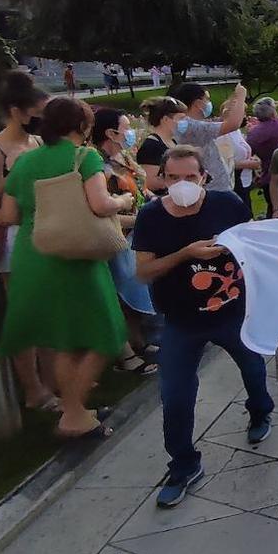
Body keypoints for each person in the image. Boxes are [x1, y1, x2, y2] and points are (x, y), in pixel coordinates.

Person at [133, 146, 273, 507]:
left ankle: (260, 410)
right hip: (181, 321)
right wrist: (185, 255)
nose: (183, 184)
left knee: (253, 368)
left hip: (232, 312)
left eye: (190, 177)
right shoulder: (151, 217)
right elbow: (144, 271)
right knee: (176, 395)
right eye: (174, 177)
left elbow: (251, 246)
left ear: (204, 178)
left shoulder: (226, 204)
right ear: (162, 179)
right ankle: (183, 464)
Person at [0, 98, 131, 439]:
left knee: (66, 339)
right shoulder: (86, 157)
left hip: (34, 253)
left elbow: (9, 215)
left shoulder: (25, 161)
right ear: (84, 127)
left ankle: (77, 409)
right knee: (105, 333)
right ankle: (72, 414)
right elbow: (100, 204)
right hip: (76, 254)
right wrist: (124, 201)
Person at [0, 71, 56, 411]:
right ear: (17, 111)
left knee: (50, 312)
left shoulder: (36, 142)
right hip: (11, 239)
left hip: (44, 230)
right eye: (37, 113)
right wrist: (15, 173)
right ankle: (33, 389)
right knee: (25, 313)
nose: (41, 120)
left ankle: (55, 385)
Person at [91, 108, 160, 376]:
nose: (131, 131)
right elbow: (101, 210)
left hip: (137, 232)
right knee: (123, 293)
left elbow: (140, 189)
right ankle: (125, 353)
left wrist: (156, 202)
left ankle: (138, 341)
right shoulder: (98, 164)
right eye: (126, 126)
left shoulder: (124, 156)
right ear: (110, 132)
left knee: (135, 292)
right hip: (120, 236)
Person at [168, 82, 248, 191]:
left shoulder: (186, 124)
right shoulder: (191, 126)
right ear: (198, 103)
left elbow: (210, 125)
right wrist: (241, 96)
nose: (209, 103)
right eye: (207, 99)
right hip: (212, 190)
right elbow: (233, 124)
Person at [137, 96, 187, 197]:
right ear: (165, 119)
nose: (185, 123)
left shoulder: (173, 142)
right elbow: (150, 182)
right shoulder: (151, 146)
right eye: (181, 119)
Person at [246, 97, 278, 219]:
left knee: (273, 209)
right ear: (273, 111)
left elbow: (249, 153)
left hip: (267, 174)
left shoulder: (253, 133)